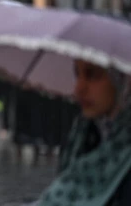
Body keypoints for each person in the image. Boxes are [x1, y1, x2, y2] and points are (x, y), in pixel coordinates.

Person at [36, 59, 131, 206]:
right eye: (77, 74)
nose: (79, 88)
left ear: (123, 79)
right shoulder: (82, 135)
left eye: (93, 75)